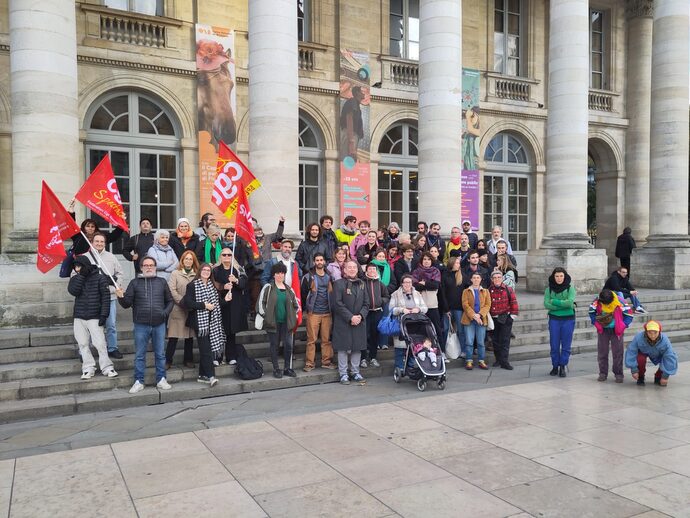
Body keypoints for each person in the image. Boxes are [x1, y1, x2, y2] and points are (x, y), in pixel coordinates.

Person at [116, 256, 174, 394]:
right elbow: (126, 304)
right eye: (146, 265)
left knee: (160, 354)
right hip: (141, 324)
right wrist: (120, 296)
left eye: (151, 265)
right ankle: (138, 381)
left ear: (155, 267)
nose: (149, 267)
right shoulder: (134, 283)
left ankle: (161, 379)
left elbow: (170, 301)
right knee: (140, 355)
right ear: (141, 267)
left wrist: (164, 313)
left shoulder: (161, 282)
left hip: (159, 324)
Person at [67, 256, 118, 380]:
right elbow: (73, 291)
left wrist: (103, 315)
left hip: (94, 316)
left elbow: (105, 298)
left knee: (100, 343)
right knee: (83, 343)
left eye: (79, 266)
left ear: (85, 265)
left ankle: (107, 367)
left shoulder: (100, 278)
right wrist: (81, 276)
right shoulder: (76, 278)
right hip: (79, 316)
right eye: (76, 267)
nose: (77, 269)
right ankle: (88, 368)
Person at [84, 232, 125, 359]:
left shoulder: (111, 257)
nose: (99, 244)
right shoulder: (85, 257)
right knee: (91, 325)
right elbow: (78, 277)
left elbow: (120, 274)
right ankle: (89, 349)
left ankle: (112, 348)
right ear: (92, 242)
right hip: (92, 299)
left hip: (110, 297)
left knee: (111, 324)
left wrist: (113, 288)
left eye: (102, 242)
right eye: (97, 241)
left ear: (105, 243)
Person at [182, 262, 223, 387]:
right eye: (204, 270)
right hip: (200, 324)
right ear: (200, 271)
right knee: (206, 351)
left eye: (208, 270)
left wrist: (225, 300)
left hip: (213, 322)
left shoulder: (212, 285)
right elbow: (187, 302)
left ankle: (202, 375)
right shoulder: (192, 285)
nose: (206, 272)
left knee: (208, 349)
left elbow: (217, 303)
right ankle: (211, 376)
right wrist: (204, 305)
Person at [257, 262, 300, 378]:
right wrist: (266, 316)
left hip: (286, 323)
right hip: (273, 322)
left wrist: (294, 316)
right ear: (273, 275)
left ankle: (287, 368)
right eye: (277, 273)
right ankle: (276, 369)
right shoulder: (268, 288)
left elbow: (296, 305)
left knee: (288, 345)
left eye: (282, 273)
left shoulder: (289, 289)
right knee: (274, 345)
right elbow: (261, 304)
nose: (280, 275)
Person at [332, 261, 369, 385]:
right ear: (345, 270)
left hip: (359, 321)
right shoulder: (338, 284)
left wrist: (360, 316)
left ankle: (355, 372)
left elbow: (366, 303)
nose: (352, 269)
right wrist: (350, 317)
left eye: (354, 267)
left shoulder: (362, 284)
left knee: (357, 348)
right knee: (343, 348)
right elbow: (337, 304)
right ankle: (343, 373)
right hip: (343, 321)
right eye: (349, 267)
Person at [589, 288, 633, 383]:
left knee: (618, 353)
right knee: (602, 352)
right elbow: (591, 312)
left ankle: (618, 374)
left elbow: (629, 315)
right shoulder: (597, 301)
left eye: (608, 304)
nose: (607, 306)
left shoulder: (621, 302)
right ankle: (603, 373)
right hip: (603, 330)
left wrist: (623, 325)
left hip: (617, 330)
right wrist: (595, 323)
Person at [213, 248, 248, 365]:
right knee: (219, 330)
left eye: (229, 254)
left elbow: (244, 284)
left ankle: (230, 356)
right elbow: (213, 284)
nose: (227, 257)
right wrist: (224, 286)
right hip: (221, 303)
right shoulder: (215, 270)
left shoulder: (238, 269)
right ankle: (217, 357)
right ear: (220, 257)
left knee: (231, 331)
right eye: (224, 255)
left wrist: (236, 280)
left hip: (235, 304)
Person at [301, 253, 336, 371]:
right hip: (313, 313)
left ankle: (326, 361)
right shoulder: (308, 276)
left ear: (324, 262)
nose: (319, 262)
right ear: (314, 262)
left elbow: (333, 293)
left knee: (326, 339)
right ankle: (309, 363)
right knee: (311, 340)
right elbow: (303, 293)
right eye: (317, 260)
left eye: (321, 260)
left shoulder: (330, 276)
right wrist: (306, 309)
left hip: (327, 312)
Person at [389, 274, 428, 373]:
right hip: (401, 323)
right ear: (402, 283)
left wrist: (418, 309)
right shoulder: (395, 294)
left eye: (409, 282)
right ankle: (399, 367)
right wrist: (402, 309)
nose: (407, 284)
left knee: (413, 346)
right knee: (400, 347)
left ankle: (410, 366)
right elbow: (391, 309)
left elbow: (425, 308)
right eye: (405, 282)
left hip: (415, 323)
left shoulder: (417, 294)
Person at [166, 250, 198, 369]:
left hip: (191, 309)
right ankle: (168, 361)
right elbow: (172, 290)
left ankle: (188, 360)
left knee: (189, 337)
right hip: (178, 308)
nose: (188, 261)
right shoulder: (175, 273)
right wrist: (181, 301)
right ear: (182, 261)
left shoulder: (197, 274)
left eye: (190, 259)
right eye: (186, 259)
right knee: (173, 336)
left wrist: (191, 304)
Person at [544, 267, 577, 377]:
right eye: (557, 276)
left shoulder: (570, 288)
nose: (559, 278)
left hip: (568, 319)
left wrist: (554, 301)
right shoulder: (548, 289)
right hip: (554, 320)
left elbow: (570, 303)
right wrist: (564, 305)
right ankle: (554, 366)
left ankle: (563, 366)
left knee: (566, 345)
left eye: (561, 276)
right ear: (553, 277)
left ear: (565, 276)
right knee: (554, 344)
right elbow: (546, 304)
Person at [625, 320, 678, 386]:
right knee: (640, 359)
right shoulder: (638, 337)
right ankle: (641, 377)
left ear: (659, 331)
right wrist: (634, 370)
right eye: (649, 333)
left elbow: (670, 357)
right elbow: (631, 351)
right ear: (646, 331)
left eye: (655, 332)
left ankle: (658, 376)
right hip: (643, 352)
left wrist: (665, 377)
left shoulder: (665, 340)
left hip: (659, 354)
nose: (652, 336)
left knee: (666, 359)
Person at [249, 216, 285, 312]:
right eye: (255, 230)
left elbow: (278, 235)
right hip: (255, 271)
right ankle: (255, 312)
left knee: (268, 292)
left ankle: (268, 312)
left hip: (267, 270)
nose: (258, 231)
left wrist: (281, 223)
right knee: (255, 294)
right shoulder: (249, 239)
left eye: (259, 230)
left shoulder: (268, 237)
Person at [412, 252, 444, 354]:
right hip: (420, 306)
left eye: (429, 259)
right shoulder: (416, 272)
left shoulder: (436, 271)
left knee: (437, 330)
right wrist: (427, 284)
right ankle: (422, 351)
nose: (426, 261)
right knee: (421, 330)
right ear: (421, 261)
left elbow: (435, 285)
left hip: (432, 305)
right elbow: (415, 286)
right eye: (424, 259)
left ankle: (440, 352)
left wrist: (424, 283)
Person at [488, 270, 519, 370]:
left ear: (502, 279)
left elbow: (514, 303)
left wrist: (512, 317)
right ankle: (498, 359)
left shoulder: (508, 289)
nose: (497, 279)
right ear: (492, 279)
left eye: (499, 277)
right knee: (495, 341)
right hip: (493, 319)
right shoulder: (488, 290)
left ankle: (504, 361)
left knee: (505, 340)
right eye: (495, 278)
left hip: (505, 318)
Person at [461, 272, 491, 370]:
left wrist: (479, 315)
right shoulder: (466, 291)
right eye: (474, 278)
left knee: (481, 342)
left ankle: (481, 360)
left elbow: (488, 305)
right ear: (471, 279)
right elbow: (465, 305)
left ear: (481, 279)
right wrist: (474, 315)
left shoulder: (486, 291)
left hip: (481, 320)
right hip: (469, 319)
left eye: (478, 277)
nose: (476, 279)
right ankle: (469, 360)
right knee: (469, 341)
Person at [362, 262, 389, 369]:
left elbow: (386, 296)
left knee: (374, 335)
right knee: (364, 335)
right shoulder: (362, 283)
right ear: (366, 271)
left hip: (377, 312)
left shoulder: (380, 283)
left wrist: (380, 301)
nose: (372, 271)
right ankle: (363, 358)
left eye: (374, 269)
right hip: (365, 313)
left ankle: (373, 357)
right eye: (370, 269)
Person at [442, 256, 466, 359]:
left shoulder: (462, 275)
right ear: (452, 264)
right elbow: (442, 293)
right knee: (446, 329)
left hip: (459, 308)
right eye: (456, 263)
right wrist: (446, 309)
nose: (458, 265)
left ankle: (463, 350)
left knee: (461, 330)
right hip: (447, 308)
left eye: (459, 263)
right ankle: (444, 350)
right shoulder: (445, 275)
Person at [340, 86, 365, 161]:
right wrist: (351, 141)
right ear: (357, 93)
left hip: (351, 135)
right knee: (347, 158)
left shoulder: (356, 104)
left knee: (350, 159)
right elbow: (349, 119)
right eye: (361, 91)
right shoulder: (352, 102)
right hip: (350, 134)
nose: (363, 93)